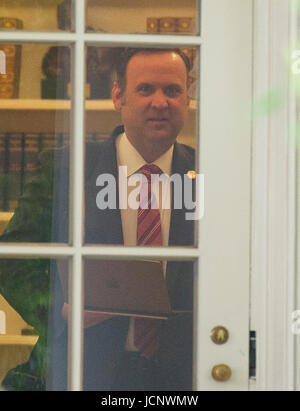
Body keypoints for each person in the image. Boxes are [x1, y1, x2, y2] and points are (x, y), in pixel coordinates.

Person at [0, 47, 195, 391]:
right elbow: (13, 255)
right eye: (146, 89)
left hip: (184, 372)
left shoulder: (209, 175)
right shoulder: (65, 169)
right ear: (118, 96)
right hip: (83, 365)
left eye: (173, 90)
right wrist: (58, 310)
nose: (160, 102)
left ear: (188, 96)